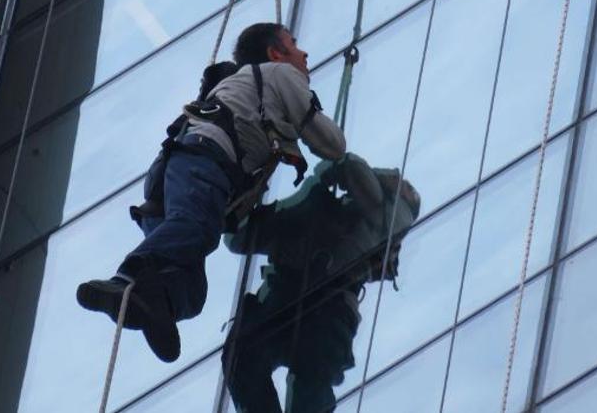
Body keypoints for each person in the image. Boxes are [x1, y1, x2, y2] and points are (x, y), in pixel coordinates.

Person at [76, 23, 345, 362]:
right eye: (294, 44)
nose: (304, 53)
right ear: (276, 53)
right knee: (197, 229)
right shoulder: (279, 73)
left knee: (192, 286)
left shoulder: (242, 88)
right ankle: (127, 279)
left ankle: (155, 301)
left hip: (171, 176)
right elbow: (332, 144)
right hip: (204, 161)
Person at [222, 153, 420, 413]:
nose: (398, 177)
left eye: (403, 182)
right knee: (307, 384)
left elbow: (348, 165)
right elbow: (241, 238)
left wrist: (319, 181)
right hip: (320, 307)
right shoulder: (346, 217)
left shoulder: (389, 210)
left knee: (248, 358)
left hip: (305, 300)